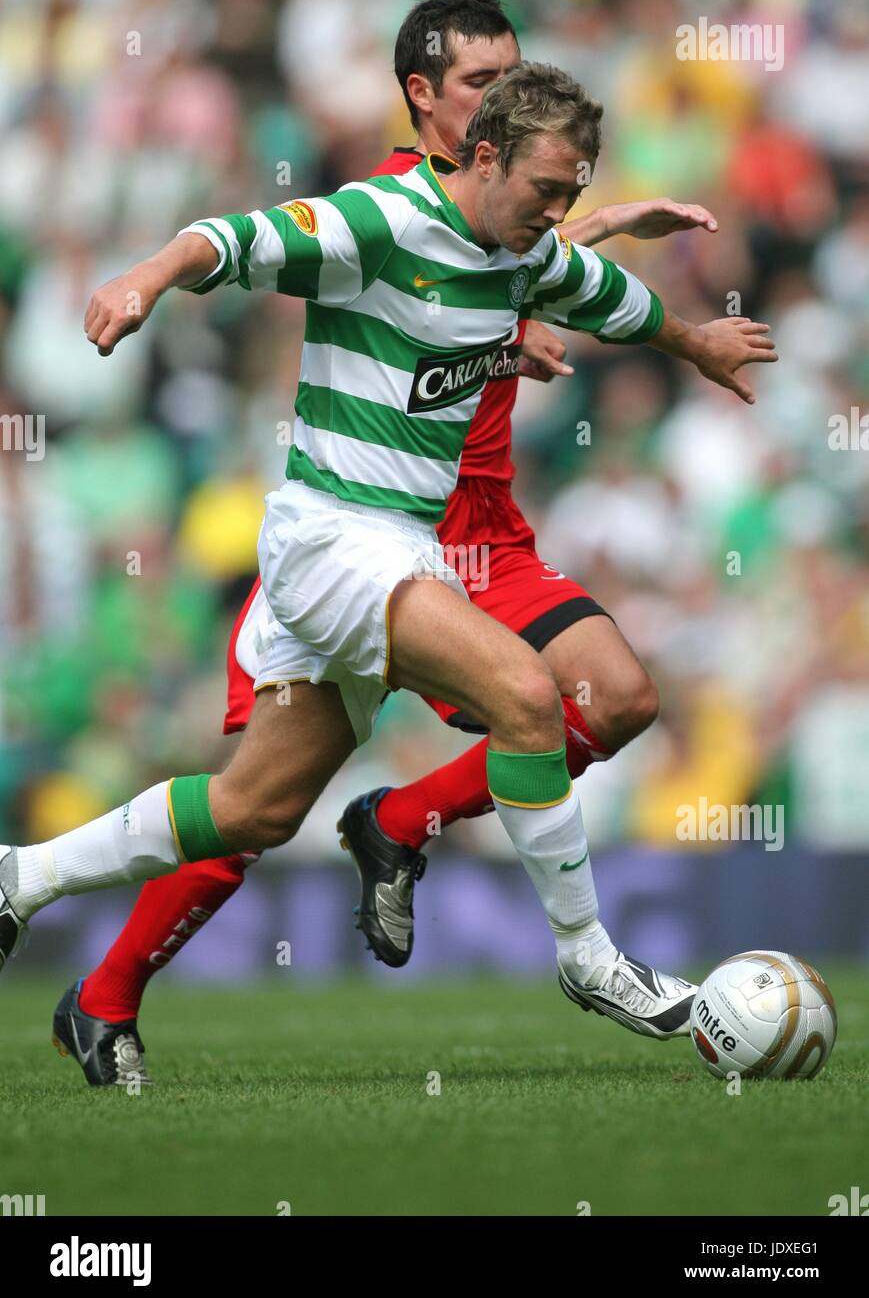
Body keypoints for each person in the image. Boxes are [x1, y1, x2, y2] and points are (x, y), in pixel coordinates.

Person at [8, 69, 770, 1086]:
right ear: (482, 152)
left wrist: (697, 341)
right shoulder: (382, 220)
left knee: (254, 812)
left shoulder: (524, 250)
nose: (557, 215)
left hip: (397, 551)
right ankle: (587, 957)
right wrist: (145, 277)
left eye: (571, 196)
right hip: (331, 539)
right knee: (527, 696)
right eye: (546, 189)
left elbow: (618, 303)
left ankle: (21, 878)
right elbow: (231, 240)